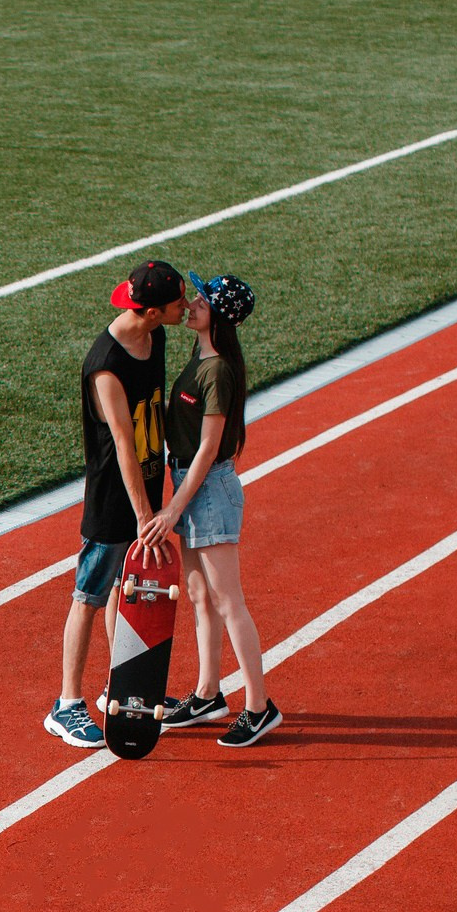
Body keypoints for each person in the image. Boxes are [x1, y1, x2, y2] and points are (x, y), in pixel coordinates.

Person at [48, 259, 188, 749]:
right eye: (177, 303)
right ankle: (66, 704)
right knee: (88, 596)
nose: (185, 307)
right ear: (150, 311)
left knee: (125, 593)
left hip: (144, 491)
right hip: (113, 502)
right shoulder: (105, 364)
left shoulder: (156, 339)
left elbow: (156, 412)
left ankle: (121, 687)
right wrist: (146, 515)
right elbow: (124, 445)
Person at [153, 271, 282, 748]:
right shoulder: (200, 355)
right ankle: (209, 694)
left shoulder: (218, 371)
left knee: (230, 602)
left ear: (219, 316)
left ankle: (259, 706)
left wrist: (172, 510)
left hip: (206, 488)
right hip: (188, 481)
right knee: (200, 597)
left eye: (201, 302)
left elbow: (208, 450)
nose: (191, 305)